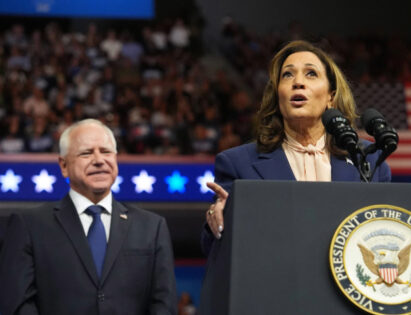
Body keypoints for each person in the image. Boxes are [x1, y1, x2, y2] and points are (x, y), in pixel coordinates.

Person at [202, 40, 391, 255]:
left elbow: (384, 239)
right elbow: (214, 252)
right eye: (287, 75)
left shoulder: (369, 161)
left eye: (311, 74)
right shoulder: (237, 163)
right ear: (278, 96)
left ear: (331, 95)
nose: (298, 82)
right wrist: (217, 218)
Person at [0, 119, 177, 314]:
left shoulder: (152, 227)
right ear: (64, 165)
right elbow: (18, 306)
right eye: (86, 153)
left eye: (106, 151)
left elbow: (164, 304)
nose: (99, 160)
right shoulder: (29, 226)